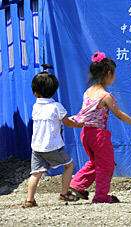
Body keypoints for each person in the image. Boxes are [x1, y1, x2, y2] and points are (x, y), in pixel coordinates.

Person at [70, 52, 131, 203]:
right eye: (114, 73)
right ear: (108, 73)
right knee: (106, 165)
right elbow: (119, 114)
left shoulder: (88, 91)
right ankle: (101, 196)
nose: (115, 77)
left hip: (86, 134)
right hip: (99, 135)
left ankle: (77, 185)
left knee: (95, 162)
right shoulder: (106, 96)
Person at [22, 69, 83, 208]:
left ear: (35, 92)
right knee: (69, 166)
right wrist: (79, 124)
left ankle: (29, 200)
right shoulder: (56, 106)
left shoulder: (35, 106)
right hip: (52, 146)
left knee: (36, 173)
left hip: (36, 147)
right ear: (54, 90)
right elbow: (67, 122)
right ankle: (64, 193)